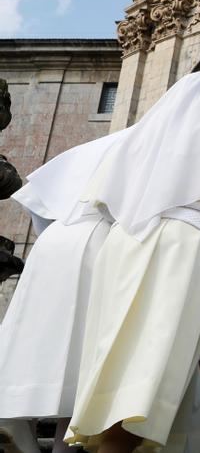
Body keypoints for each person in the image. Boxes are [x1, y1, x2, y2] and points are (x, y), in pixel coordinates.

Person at [66, 73, 200, 453]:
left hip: (122, 245)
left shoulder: (137, 141)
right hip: (182, 246)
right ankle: (119, 443)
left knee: (125, 350)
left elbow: (105, 205)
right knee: (153, 359)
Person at [0, 129, 127, 453]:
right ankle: (64, 446)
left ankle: (18, 424)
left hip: (53, 239)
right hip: (97, 238)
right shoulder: (139, 149)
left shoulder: (88, 151)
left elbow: (36, 201)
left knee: (34, 338)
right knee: (80, 357)